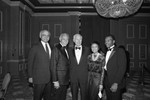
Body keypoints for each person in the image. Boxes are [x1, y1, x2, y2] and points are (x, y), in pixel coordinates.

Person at [28, 30, 52, 100]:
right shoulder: (35, 47)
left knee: (48, 97)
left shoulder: (51, 47)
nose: (46, 37)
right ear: (40, 36)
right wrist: (30, 76)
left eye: (48, 35)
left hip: (49, 79)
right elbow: (30, 63)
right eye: (44, 35)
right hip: (38, 78)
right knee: (37, 97)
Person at [104, 34, 127, 100]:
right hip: (106, 80)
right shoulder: (106, 52)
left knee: (116, 98)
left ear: (113, 41)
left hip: (115, 80)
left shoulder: (119, 51)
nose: (106, 42)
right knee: (109, 97)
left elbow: (122, 68)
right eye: (105, 41)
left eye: (108, 40)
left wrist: (116, 83)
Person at [68, 33, 90, 100]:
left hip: (84, 75)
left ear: (82, 40)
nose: (78, 41)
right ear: (73, 40)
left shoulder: (88, 49)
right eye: (77, 39)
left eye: (80, 39)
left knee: (84, 95)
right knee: (74, 95)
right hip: (73, 76)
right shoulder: (68, 50)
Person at [51, 33, 70, 100]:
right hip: (59, 80)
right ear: (60, 39)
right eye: (64, 39)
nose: (66, 41)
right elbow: (53, 66)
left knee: (62, 97)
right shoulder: (56, 49)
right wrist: (55, 81)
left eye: (67, 39)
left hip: (65, 80)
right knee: (57, 97)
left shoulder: (66, 49)